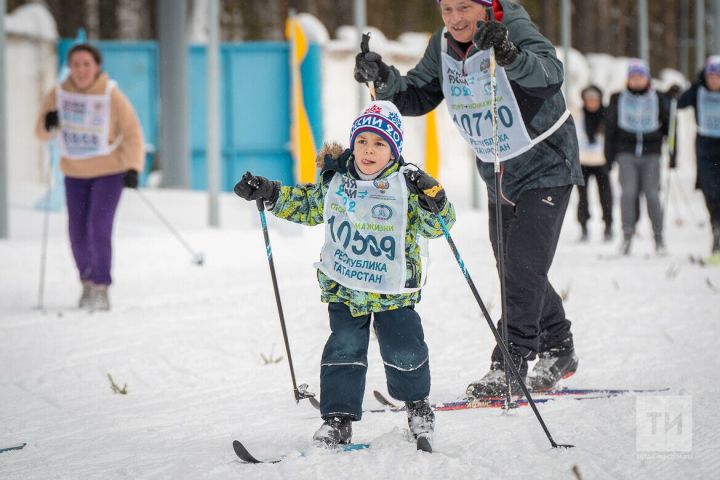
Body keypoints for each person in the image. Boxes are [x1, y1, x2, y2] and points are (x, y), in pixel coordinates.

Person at [353, 0, 582, 397]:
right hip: (498, 174)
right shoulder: (442, 44)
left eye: (464, 8)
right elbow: (419, 95)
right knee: (513, 264)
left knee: (523, 266)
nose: (455, 19)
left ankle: (509, 362)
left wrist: (510, 54)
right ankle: (558, 346)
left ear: (486, 6)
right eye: (447, 10)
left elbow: (550, 75)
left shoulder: (511, 24)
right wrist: (385, 78)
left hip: (546, 165)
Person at [234, 101, 456, 449]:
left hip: (393, 291)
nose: (369, 150)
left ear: (394, 150)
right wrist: (270, 192)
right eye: (363, 141)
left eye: (380, 144)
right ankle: (338, 419)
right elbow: (308, 206)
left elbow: (437, 227)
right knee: (344, 350)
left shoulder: (405, 186)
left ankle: (417, 405)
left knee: (404, 348)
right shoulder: (336, 181)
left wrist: (435, 199)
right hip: (345, 287)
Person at [35, 44, 145, 311]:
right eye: (76, 64)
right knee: (77, 231)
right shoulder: (59, 94)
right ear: (69, 67)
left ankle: (101, 285)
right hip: (74, 171)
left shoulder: (110, 94)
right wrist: (49, 122)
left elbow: (132, 132)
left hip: (109, 171)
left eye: (87, 64)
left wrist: (133, 168)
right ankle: (85, 280)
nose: (81, 70)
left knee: (98, 227)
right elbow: (40, 132)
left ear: (96, 66)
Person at [604, 59, 671, 256]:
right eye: (633, 77)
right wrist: (608, 157)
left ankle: (659, 238)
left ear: (647, 78)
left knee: (651, 194)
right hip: (626, 152)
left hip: (651, 153)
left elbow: (669, 125)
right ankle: (627, 236)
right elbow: (610, 129)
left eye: (640, 76)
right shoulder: (618, 98)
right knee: (628, 194)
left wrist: (672, 152)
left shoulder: (657, 97)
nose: (636, 80)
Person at [677, 55, 720, 260]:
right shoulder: (698, 91)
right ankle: (716, 227)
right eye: (711, 76)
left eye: (718, 76)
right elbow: (680, 103)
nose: (714, 80)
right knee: (710, 190)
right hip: (705, 146)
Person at [576, 85, 613, 242]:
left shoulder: (607, 115)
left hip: (601, 162)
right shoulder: (578, 114)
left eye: (595, 99)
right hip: (582, 162)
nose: (591, 102)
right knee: (582, 198)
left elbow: (612, 138)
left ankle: (609, 226)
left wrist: (611, 158)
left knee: (605, 197)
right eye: (588, 99)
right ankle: (584, 226)